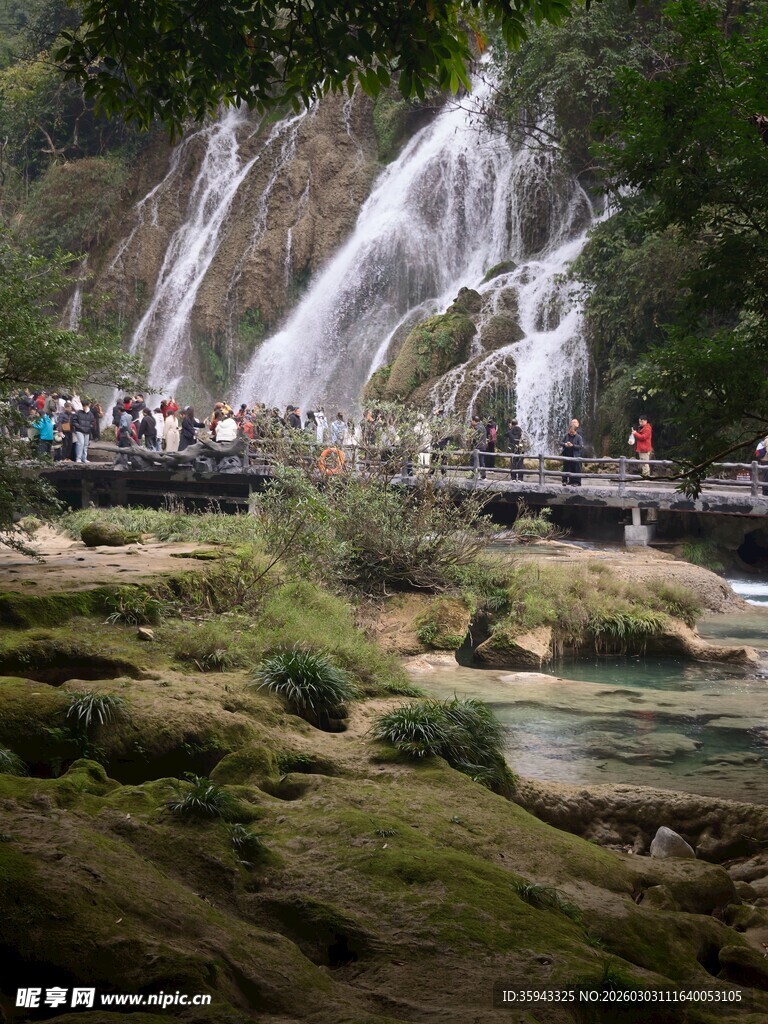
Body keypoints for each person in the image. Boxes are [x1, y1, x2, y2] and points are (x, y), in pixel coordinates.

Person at [560, 418, 583, 486]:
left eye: (572, 432)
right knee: (566, 468)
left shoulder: (579, 437)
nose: (571, 433)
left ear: (575, 431)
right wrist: (565, 444)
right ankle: (565, 481)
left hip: (575, 455)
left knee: (576, 469)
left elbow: (580, 446)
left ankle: (576, 482)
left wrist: (572, 445)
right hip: (567, 455)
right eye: (570, 432)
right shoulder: (566, 436)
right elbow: (561, 442)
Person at [469, 415, 487, 479]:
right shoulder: (483, 427)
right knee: (482, 461)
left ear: (474, 421)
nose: (471, 422)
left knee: (473, 461)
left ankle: (472, 475)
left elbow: (474, 438)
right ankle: (483, 476)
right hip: (483, 446)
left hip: (477, 447)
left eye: (471, 421)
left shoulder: (476, 428)